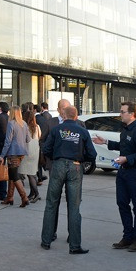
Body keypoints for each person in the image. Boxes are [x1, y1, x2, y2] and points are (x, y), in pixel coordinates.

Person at [92, 101, 136, 251]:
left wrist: (127, 159)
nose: (120, 114)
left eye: (123, 111)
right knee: (122, 204)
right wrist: (105, 142)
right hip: (124, 171)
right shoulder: (126, 129)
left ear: (131, 114)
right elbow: (123, 146)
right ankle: (127, 236)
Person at [39, 102, 96, 253]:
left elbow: (46, 148)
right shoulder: (82, 131)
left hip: (58, 165)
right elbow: (92, 154)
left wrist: (56, 158)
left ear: (64, 116)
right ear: (76, 116)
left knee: (51, 203)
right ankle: (75, 245)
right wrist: (81, 158)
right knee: (74, 205)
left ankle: (46, 240)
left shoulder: (57, 129)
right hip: (76, 167)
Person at [0, 105, 31, 207]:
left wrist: (2, 155)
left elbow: (7, 141)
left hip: (13, 153)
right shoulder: (24, 124)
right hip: (21, 152)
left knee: (14, 175)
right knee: (12, 175)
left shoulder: (11, 123)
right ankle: (9, 197)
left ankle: (24, 197)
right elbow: (28, 139)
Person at [21, 102, 41, 203]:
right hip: (35, 150)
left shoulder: (25, 126)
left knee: (29, 174)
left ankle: (36, 193)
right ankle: (32, 193)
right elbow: (40, 137)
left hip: (27, 149)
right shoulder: (37, 127)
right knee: (32, 173)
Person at [36, 101, 58, 180]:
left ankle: (41, 173)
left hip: (44, 138)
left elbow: (45, 130)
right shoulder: (50, 115)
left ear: (42, 107)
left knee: (42, 160)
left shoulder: (42, 116)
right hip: (48, 139)